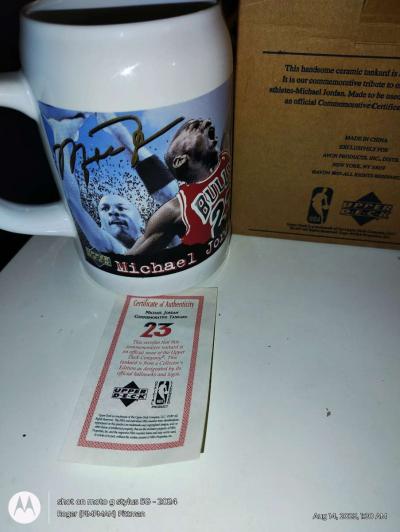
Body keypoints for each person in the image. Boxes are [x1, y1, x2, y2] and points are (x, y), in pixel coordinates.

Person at [123, 118, 231, 256]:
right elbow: (131, 258)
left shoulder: (224, 160)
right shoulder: (176, 210)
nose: (207, 123)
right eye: (194, 128)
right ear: (180, 160)